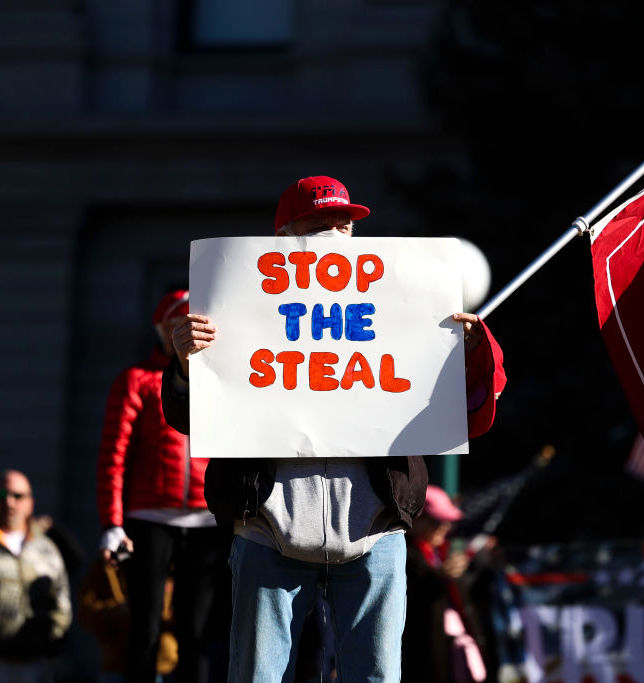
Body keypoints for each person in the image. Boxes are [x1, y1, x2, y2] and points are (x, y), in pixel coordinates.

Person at [161, 175, 507, 682]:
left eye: (344, 224)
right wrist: (187, 364)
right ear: (283, 238)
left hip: (376, 530)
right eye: (320, 225)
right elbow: (188, 419)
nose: (336, 236)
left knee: (377, 676)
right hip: (267, 526)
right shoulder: (232, 307)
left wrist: (474, 351)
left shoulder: (399, 304)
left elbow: (472, 413)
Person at [96, 289, 226, 683]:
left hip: (205, 519)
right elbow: (113, 456)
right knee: (146, 626)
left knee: (197, 632)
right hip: (148, 517)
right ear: (162, 328)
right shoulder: (137, 380)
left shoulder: (220, 380)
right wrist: (112, 523)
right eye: (177, 324)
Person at [404, 485, 486, 683]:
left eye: (447, 522)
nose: (445, 527)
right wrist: (439, 576)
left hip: (451, 654)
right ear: (415, 519)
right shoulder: (403, 556)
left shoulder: (440, 552)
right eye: (437, 521)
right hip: (419, 661)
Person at [0, 469, 72, 682]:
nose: (10, 503)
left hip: (37, 662)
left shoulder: (46, 548)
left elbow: (62, 601)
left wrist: (52, 641)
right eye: (3, 495)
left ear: (30, 502)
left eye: (18, 496)